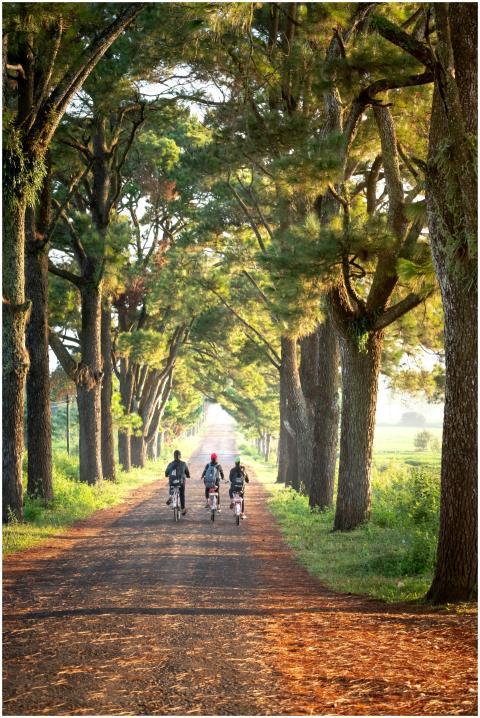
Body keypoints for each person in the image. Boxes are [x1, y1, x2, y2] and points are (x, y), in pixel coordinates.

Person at [165, 449, 190, 515]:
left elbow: (166, 473)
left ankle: (171, 496)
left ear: (174, 456)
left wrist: (168, 474)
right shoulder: (183, 464)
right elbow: (187, 473)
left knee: (171, 485)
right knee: (182, 494)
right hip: (181, 482)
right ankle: (183, 509)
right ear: (180, 456)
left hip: (172, 481)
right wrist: (188, 475)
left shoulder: (170, 464)